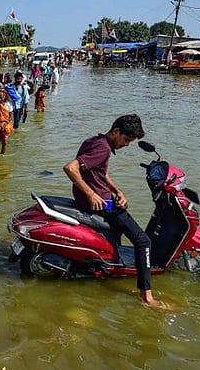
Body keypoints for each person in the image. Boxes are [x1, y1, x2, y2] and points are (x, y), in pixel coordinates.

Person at [63, 114, 165, 308]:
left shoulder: (95, 141)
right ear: (116, 131)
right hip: (101, 203)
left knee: (122, 205)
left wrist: (117, 190)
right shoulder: (102, 148)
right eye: (126, 140)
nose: (126, 145)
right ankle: (147, 298)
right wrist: (92, 194)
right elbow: (70, 168)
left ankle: (112, 260)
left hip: (99, 199)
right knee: (143, 240)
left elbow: (99, 172)